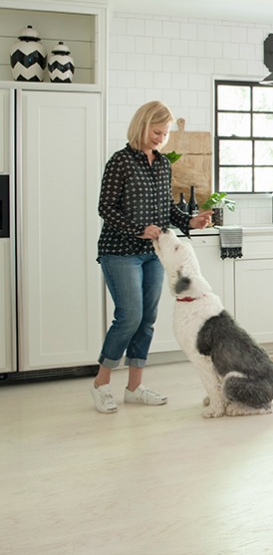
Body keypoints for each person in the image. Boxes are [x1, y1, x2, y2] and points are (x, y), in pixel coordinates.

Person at [91, 101, 212, 413]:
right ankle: (101, 384)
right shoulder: (120, 162)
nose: (161, 137)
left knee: (146, 320)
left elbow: (166, 210)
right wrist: (137, 229)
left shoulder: (162, 164)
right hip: (120, 252)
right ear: (142, 126)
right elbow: (105, 209)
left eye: (165, 133)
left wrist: (190, 221)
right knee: (129, 316)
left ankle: (134, 387)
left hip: (152, 254)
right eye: (157, 131)